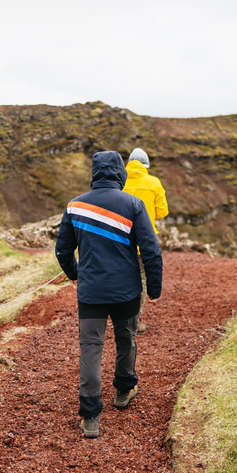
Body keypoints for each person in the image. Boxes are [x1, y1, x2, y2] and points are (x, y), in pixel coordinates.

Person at [55, 150, 163, 439]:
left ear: (94, 173)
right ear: (120, 173)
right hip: (126, 290)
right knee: (126, 338)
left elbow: (63, 250)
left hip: (90, 292)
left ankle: (90, 416)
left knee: (91, 347)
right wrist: (154, 289)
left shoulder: (74, 206)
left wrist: (77, 274)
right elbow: (151, 251)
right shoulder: (133, 204)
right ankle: (124, 389)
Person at [122, 147, 168, 334]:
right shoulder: (153, 182)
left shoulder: (119, 181)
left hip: (120, 238)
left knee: (121, 276)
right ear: (146, 165)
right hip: (143, 240)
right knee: (140, 277)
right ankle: (133, 320)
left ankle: (119, 317)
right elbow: (162, 212)